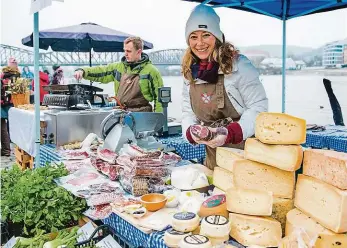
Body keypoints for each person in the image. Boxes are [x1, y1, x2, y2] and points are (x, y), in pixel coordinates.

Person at [181, 5, 268, 169]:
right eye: (193, 37)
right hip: (213, 158)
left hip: (244, 154)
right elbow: (187, 113)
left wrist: (230, 133)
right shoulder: (189, 72)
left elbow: (259, 108)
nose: (199, 43)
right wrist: (190, 132)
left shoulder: (239, 65)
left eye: (206, 35)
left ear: (217, 37)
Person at [74, 37, 164, 112]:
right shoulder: (118, 67)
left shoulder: (152, 71)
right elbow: (101, 71)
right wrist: (83, 71)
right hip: (121, 112)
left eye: (129, 51)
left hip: (143, 115)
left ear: (139, 51)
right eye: (124, 50)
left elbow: (160, 100)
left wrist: (160, 123)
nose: (125, 54)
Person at [1, 57, 20, 156]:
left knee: (3, 126)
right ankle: (11, 147)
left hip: (4, 103)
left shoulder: (3, 75)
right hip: (14, 102)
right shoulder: (18, 75)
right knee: (11, 125)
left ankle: (6, 150)